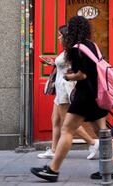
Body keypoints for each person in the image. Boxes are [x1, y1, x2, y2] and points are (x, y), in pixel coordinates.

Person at [31, 16, 113, 182]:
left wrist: (69, 77)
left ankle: (52, 169)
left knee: (67, 130)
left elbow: (82, 74)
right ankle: (111, 168)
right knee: (103, 133)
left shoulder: (76, 49)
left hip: (84, 96)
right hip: (97, 94)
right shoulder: (92, 45)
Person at [38, 25, 99, 160]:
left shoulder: (72, 51)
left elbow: (75, 69)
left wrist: (67, 73)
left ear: (66, 36)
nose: (58, 37)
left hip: (65, 89)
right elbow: (64, 65)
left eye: (60, 35)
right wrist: (53, 63)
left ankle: (93, 142)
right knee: (55, 120)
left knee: (67, 122)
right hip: (59, 90)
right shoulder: (66, 51)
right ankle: (54, 149)